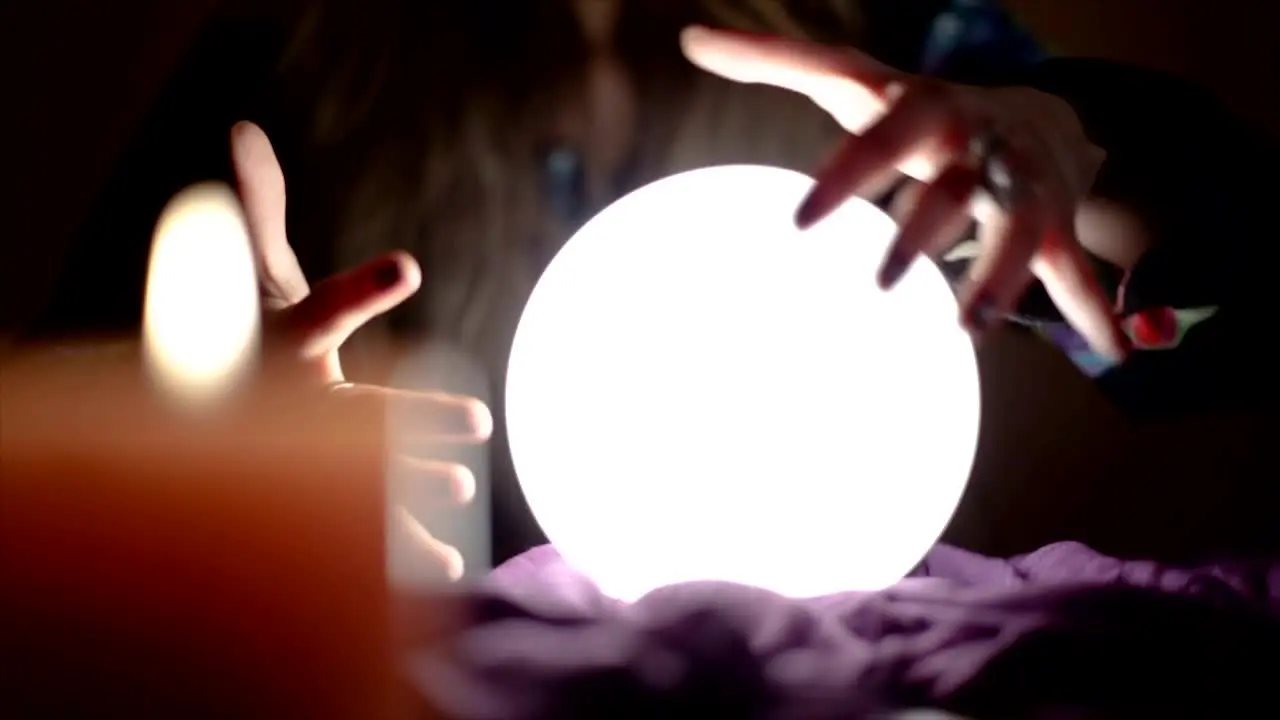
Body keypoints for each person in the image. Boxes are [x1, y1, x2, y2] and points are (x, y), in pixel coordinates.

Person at [25, 0, 1278, 576]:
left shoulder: (883, 47)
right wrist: (217, 452)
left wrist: (1088, 162)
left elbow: (1240, 318)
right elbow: (51, 462)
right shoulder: (292, 63)